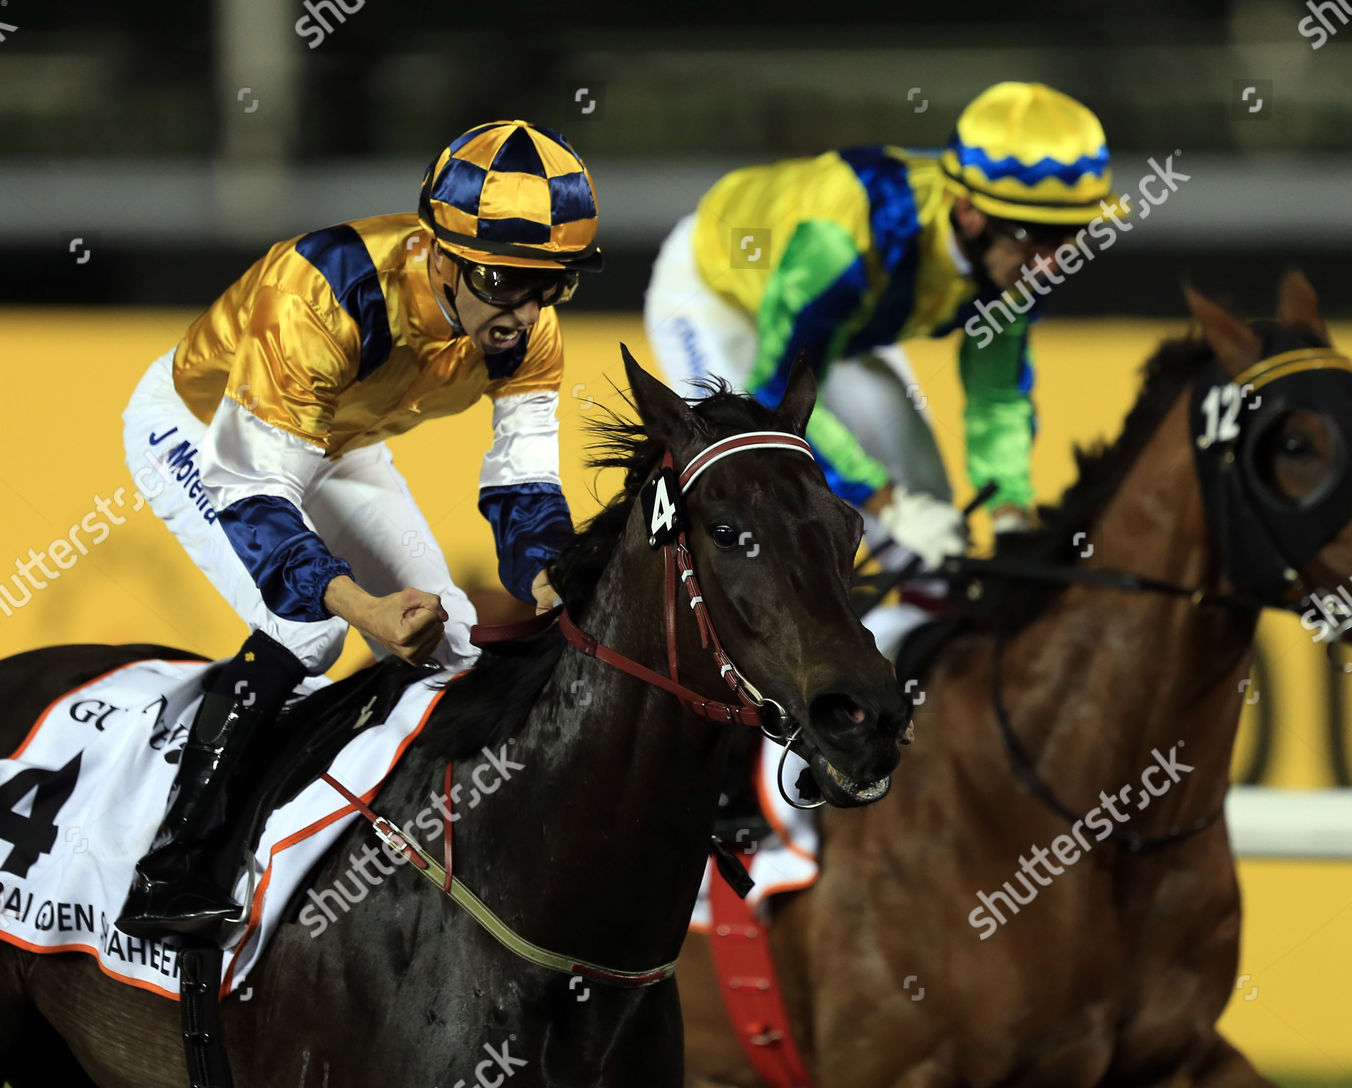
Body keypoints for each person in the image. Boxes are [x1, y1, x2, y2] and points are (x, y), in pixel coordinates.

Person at [116, 119, 602, 939]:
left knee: (450, 650)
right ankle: (178, 867)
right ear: (438, 253)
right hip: (212, 432)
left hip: (337, 440)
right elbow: (253, 493)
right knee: (306, 631)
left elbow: (522, 483)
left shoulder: (525, 323)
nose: (521, 313)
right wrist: (363, 607)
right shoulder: (322, 290)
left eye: (548, 283)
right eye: (499, 278)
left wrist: (554, 577)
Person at [644, 81, 1124, 566]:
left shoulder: (1013, 264)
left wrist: (1010, 514)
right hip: (717, 298)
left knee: (935, 521)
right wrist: (887, 505)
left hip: (836, 324)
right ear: (969, 213)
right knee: (762, 483)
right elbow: (774, 395)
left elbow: (996, 398)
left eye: (1069, 237)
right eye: (1029, 236)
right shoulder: (843, 244)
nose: (1049, 265)